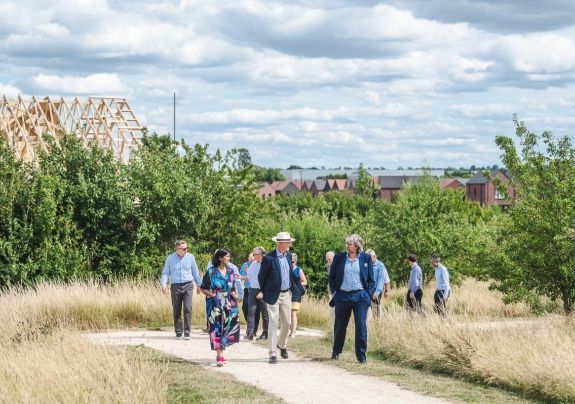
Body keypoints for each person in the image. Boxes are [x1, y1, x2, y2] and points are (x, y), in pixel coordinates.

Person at [257, 232, 304, 364]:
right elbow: (261, 277)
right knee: (273, 323)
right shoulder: (269, 258)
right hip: (273, 295)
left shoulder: (288, 256)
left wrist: (299, 288)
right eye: (288, 242)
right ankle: (272, 353)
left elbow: (291, 274)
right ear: (280, 243)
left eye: (289, 242)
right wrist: (264, 292)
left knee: (287, 323)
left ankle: (281, 345)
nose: (290, 244)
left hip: (286, 294)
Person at [329, 234, 375, 364]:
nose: (347, 246)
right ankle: (336, 350)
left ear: (357, 245)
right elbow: (331, 277)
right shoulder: (339, 258)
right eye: (347, 243)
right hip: (343, 296)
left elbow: (371, 280)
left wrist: (368, 295)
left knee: (361, 326)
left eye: (350, 244)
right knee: (340, 326)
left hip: (361, 297)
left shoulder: (366, 258)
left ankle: (361, 356)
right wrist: (335, 293)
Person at [200, 248, 241, 367]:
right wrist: (213, 296)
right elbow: (203, 287)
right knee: (216, 327)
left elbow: (232, 288)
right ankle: (220, 356)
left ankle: (222, 349)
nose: (229, 258)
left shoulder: (230, 271)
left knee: (228, 326)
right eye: (227, 256)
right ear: (220, 258)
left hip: (229, 303)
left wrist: (237, 297)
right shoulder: (211, 272)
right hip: (215, 304)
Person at [160, 240, 202, 340]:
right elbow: (165, 272)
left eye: (187, 248)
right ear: (178, 249)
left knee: (188, 308)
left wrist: (199, 285)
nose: (186, 250)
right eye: (184, 248)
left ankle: (187, 333)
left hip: (188, 285)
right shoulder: (170, 258)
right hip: (175, 286)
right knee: (176, 309)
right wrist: (163, 284)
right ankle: (178, 332)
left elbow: (195, 272)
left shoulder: (191, 257)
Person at [245, 247, 269, 341]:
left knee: (265, 313)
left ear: (261, 254)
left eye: (255, 254)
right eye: (253, 254)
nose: (253, 255)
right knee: (251, 312)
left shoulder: (266, 264)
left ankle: (265, 333)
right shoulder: (253, 264)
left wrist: (262, 292)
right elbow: (248, 277)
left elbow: (269, 280)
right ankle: (250, 333)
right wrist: (240, 277)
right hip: (252, 290)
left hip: (263, 291)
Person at [365, 249, 390, 318]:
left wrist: (377, 292)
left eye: (370, 258)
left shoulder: (380, 265)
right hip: (367, 290)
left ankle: (377, 322)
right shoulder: (366, 265)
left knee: (375, 309)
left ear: (375, 256)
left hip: (376, 289)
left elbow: (382, 280)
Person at [289, 253, 308, 337]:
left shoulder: (298, 270)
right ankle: (289, 330)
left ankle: (293, 332)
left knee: (293, 313)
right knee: (287, 314)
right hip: (287, 293)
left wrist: (295, 284)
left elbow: (305, 282)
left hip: (296, 294)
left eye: (293, 261)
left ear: (295, 261)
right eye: (290, 261)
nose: (291, 263)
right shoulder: (287, 269)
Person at [238, 253, 255, 327]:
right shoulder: (245, 265)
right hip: (246, 289)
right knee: (244, 307)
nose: (251, 262)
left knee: (252, 309)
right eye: (250, 260)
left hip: (254, 290)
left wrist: (248, 272)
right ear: (248, 258)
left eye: (252, 260)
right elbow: (240, 276)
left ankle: (252, 325)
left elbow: (254, 277)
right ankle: (249, 323)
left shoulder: (257, 265)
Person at [326, 251, 335, 323]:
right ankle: (333, 324)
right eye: (327, 260)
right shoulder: (328, 265)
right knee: (332, 310)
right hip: (330, 291)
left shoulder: (338, 265)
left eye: (329, 259)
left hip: (336, 291)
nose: (328, 261)